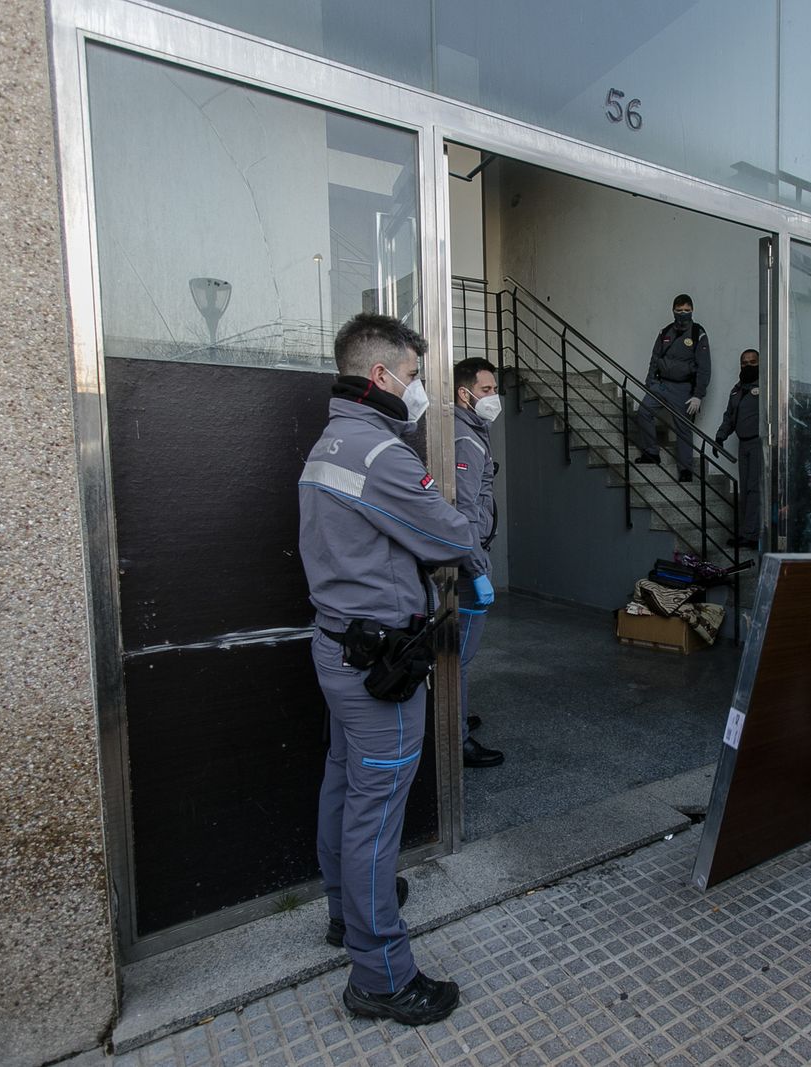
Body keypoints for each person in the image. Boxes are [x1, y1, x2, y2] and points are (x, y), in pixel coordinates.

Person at [298, 313, 472, 1026]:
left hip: (336, 647)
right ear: (379, 376)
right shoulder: (379, 453)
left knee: (344, 782)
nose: (418, 386)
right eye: (410, 372)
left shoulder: (330, 439)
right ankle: (380, 975)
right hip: (381, 668)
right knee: (376, 818)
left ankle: (346, 911)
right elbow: (451, 533)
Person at [452, 356, 504, 769]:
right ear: (464, 393)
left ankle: (455, 714)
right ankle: (457, 738)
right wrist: (478, 569)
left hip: (470, 554)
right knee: (460, 656)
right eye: (486, 390)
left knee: (458, 655)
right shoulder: (465, 439)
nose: (494, 398)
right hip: (468, 563)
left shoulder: (472, 430)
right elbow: (465, 511)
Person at [634, 293, 710, 482]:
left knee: (683, 428)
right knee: (643, 412)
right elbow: (655, 358)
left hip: (683, 388)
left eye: (686, 310)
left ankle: (685, 469)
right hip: (661, 385)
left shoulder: (698, 334)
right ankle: (651, 453)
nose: (683, 313)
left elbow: (704, 367)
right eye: (679, 310)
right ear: (673, 311)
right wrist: (650, 384)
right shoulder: (665, 332)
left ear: (692, 310)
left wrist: (698, 395)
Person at [715, 348, 762, 548]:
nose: (748, 366)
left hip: (759, 443)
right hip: (743, 445)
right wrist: (720, 436)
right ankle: (748, 533)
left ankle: (752, 535)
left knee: (754, 489)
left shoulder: (765, 388)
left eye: (752, 362)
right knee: (745, 489)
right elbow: (730, 416)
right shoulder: (737, 390)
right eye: (744, 363)